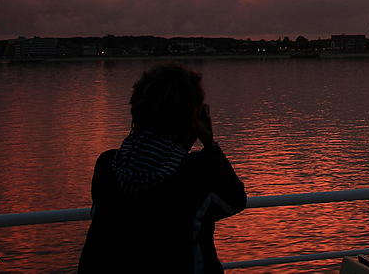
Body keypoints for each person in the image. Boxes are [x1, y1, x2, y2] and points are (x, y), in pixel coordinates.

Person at [79, 62, 246, 274]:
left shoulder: (107, 165)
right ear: (190, 116)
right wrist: (209, 143)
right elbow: (236, 200)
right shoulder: (198, 172)